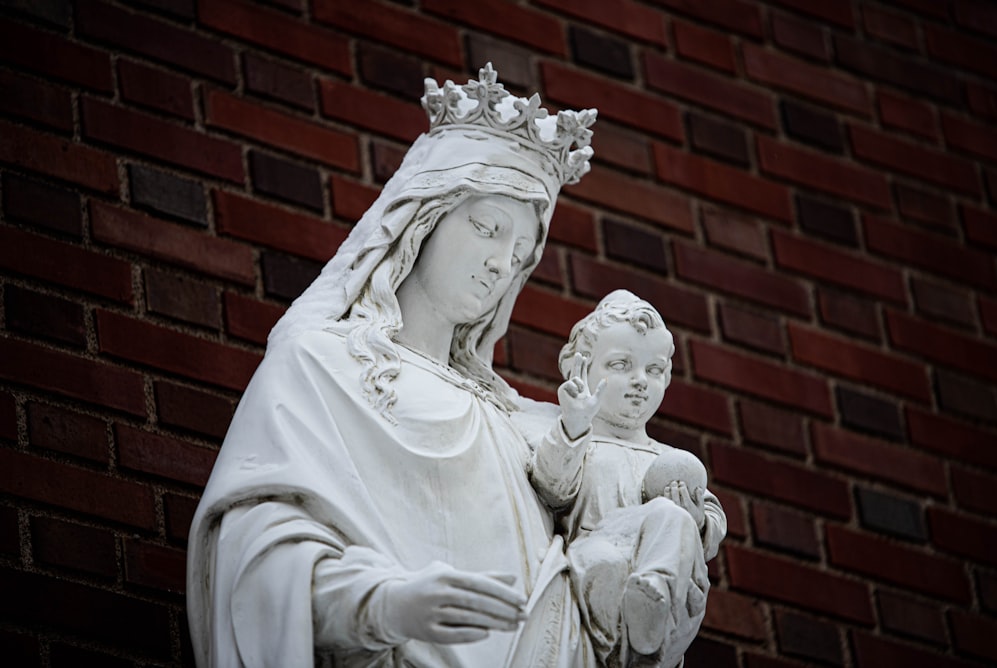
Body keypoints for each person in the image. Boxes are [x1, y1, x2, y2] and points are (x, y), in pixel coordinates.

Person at [186, 65, 600, 667]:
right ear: (425, 218)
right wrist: (384, 606)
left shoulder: (520, 426)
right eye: (487, 228)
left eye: (519, 255)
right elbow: (259, 559)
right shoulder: (324, 364)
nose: (499, 265)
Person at [525, 290, 726, 667]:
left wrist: (697, 520)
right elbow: (552, 487)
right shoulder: (574, 438)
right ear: (581, 369)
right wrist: (573, 426)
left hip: (671, 590)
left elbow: (713, 518)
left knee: (672, 519)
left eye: (653, 370)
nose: (640, 382)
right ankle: (640, 626)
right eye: (621, 365)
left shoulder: (669, 458)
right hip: (593, 559)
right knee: (605, 559)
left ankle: (652, 598)